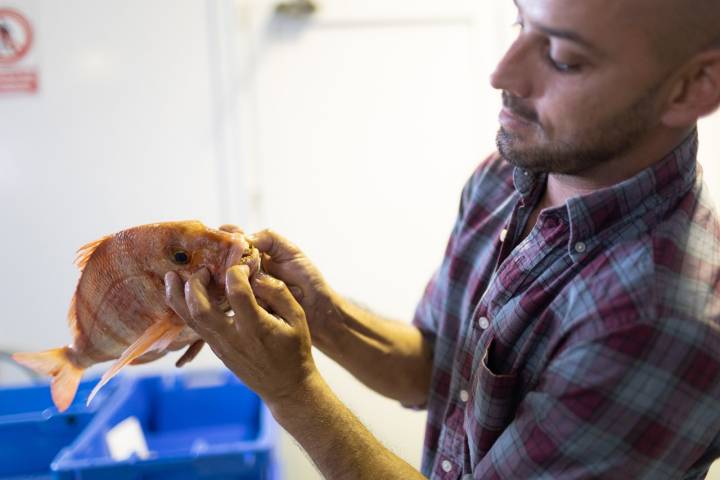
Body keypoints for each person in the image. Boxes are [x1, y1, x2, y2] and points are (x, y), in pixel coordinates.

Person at [165, 0, 720, 477]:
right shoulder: (511, 175)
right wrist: (321, 314)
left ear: (693, 88)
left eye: (563, 58)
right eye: (519, 23)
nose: (503, 74)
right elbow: (436, 370)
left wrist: (293, 391)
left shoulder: (658, 319)